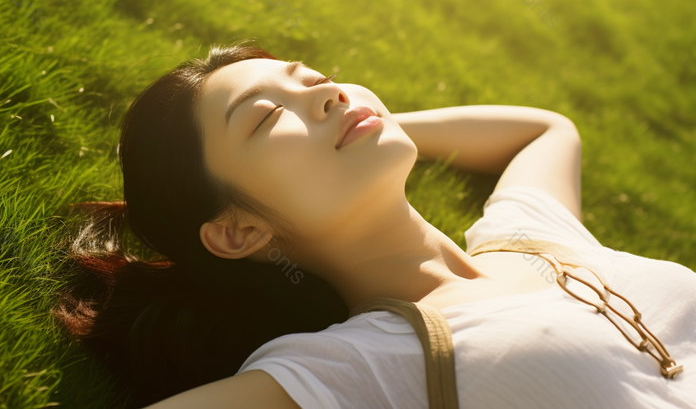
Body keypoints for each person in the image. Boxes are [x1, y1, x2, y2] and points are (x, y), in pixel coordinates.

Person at [54, 39, 696, 409]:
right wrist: (346, 139)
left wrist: (362, 130)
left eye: (317, 80)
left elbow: (544, 128)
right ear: (241, 231)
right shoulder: (366, 363)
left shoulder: (531, 234)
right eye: (268, 118)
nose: (330, 94)